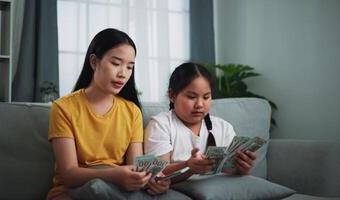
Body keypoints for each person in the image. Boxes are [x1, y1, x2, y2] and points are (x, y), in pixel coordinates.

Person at [47, 28, 171, 200]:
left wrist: (150, 180)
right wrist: (113, 175)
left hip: (116, 189)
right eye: (116, 63)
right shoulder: (63, 108)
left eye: (129, 67)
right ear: (94, 62)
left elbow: (134, 167)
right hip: (71, 191)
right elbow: (68, 174)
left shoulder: (132, 111)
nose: (123, 74)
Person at [144, 62, 257, 183]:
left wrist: (242, 168)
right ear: (172, 95)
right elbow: (157, 173)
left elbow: (229, 172)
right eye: (191, 97)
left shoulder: (223, 127)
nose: (199, 105)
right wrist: (188, 166)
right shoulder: (161, 125)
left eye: (206, 97)